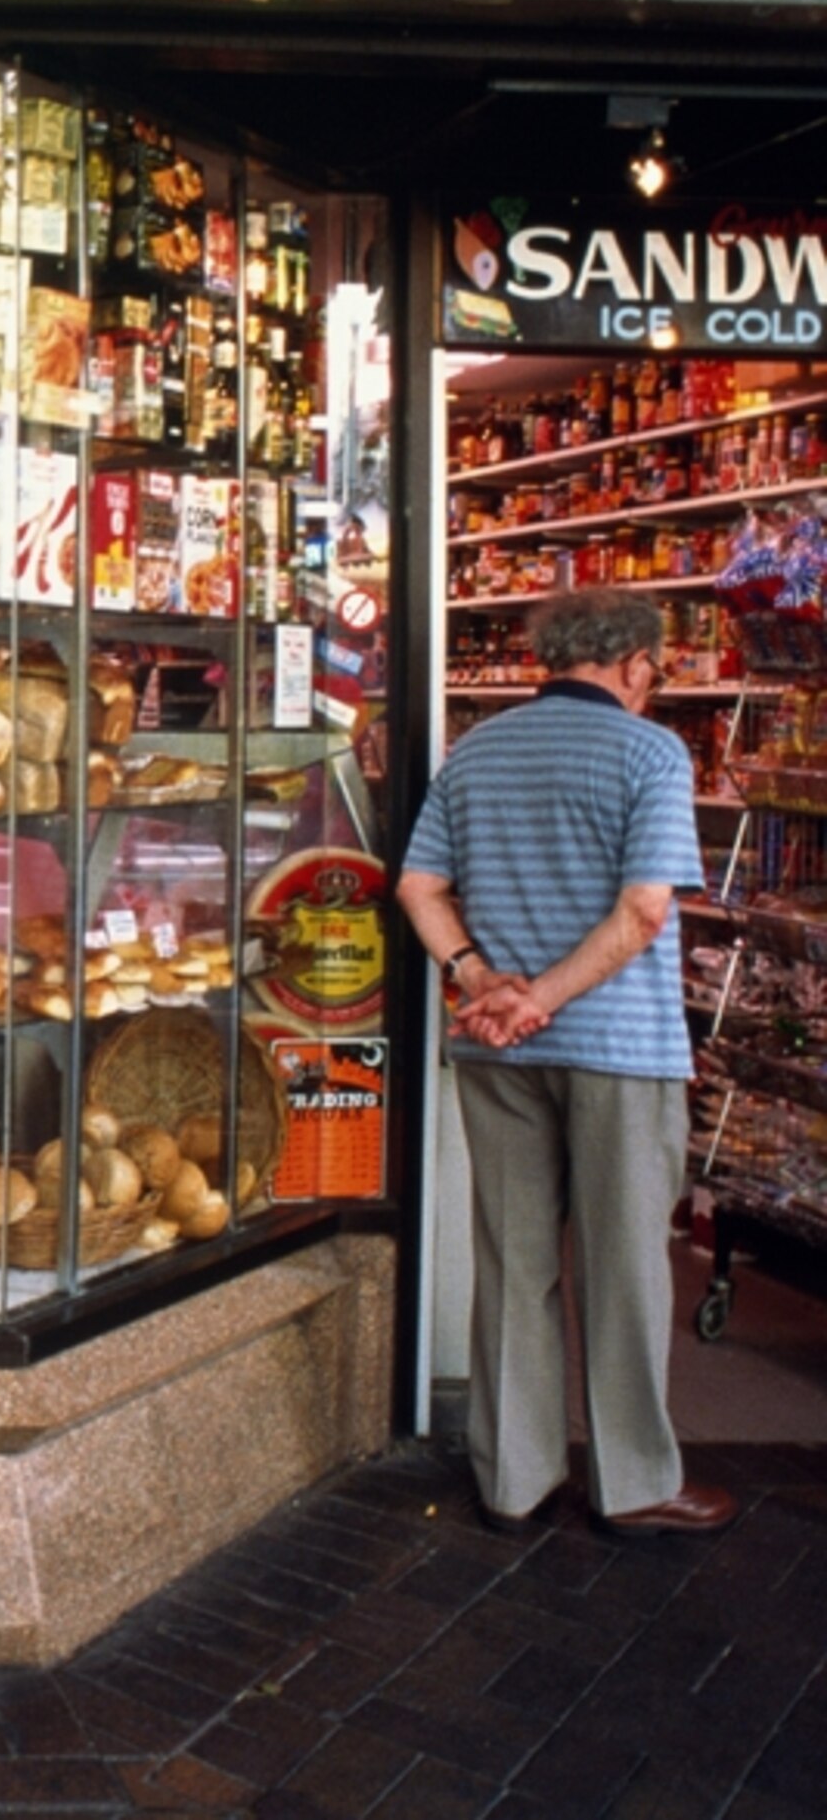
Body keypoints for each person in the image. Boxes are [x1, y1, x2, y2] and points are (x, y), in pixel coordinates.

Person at [394, 589, 727, 1540]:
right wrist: (541, 995)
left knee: (512, 1267)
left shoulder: (479, 750)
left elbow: (420, 886)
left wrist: (477, 977)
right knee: (624, 1267)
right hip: (617, 1048)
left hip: (494, 1046)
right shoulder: (650, 752)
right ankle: (631, 1486)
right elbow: (643, 914)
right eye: (655, 674)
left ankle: (513, 1479)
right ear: (632, 664)